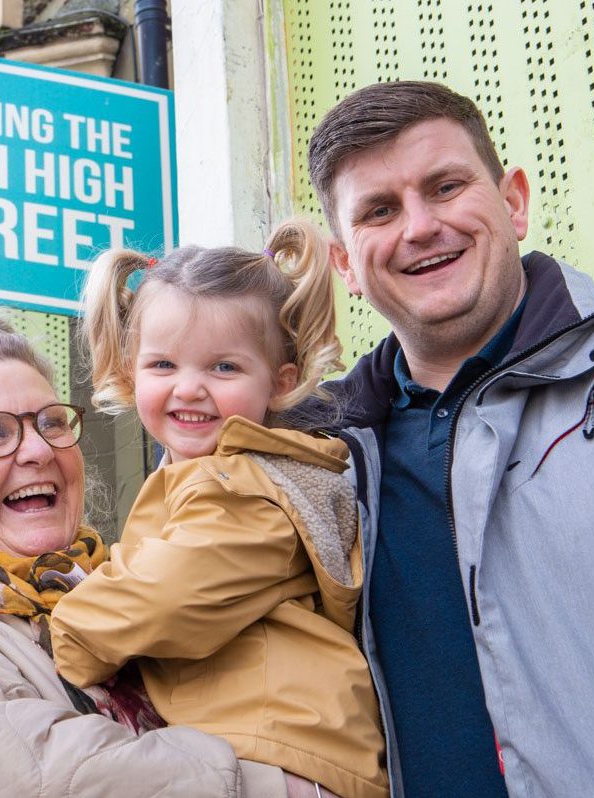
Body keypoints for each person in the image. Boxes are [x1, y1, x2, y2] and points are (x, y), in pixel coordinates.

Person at [312, 80, 594, 796]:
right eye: (380, 211)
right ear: (345, 265)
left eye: (446, 186)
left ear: (513, 200)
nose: (420, 227)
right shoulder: (322, 461)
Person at [0, 289, 292, 796]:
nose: (37, 449)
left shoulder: (139, 588)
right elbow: (34, 772)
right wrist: (282, 787)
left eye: (52, 422)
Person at [48, 222, 388, 798]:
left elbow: (164, 595)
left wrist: (62, 633)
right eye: (164, 366)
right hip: (260, 750)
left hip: (290, 760)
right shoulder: (196, 477)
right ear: (130, 372)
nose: (189, 388)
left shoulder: (249, 489)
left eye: (224, 368)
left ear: (280, 383)